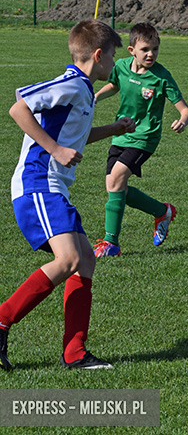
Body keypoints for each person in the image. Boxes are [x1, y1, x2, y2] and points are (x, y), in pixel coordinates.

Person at [1, 20, 136, 370]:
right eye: (112, 56)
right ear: (97, 55)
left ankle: (75, 352)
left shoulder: (84, 91)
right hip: (37, 182)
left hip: (52, 185)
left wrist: (114, 129)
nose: (114, 63)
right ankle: (2, 319)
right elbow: (19, 107)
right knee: (69, 261)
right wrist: (56, 150)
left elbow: (75, 138)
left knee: (85, 260)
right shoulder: (73, 84)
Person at [92, 22, 188, 258]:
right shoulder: (121, 67)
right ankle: (163, 211)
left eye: (155, 49)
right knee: (116, 188)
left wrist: (183, 120)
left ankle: (111, 243)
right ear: (131, 51)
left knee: (116, 180)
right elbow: (114, 85)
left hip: (145, 137)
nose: (151, 54)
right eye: (146, 49)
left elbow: (185, 109)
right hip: (121, 133)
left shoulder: (162, 77)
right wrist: (96, 96)